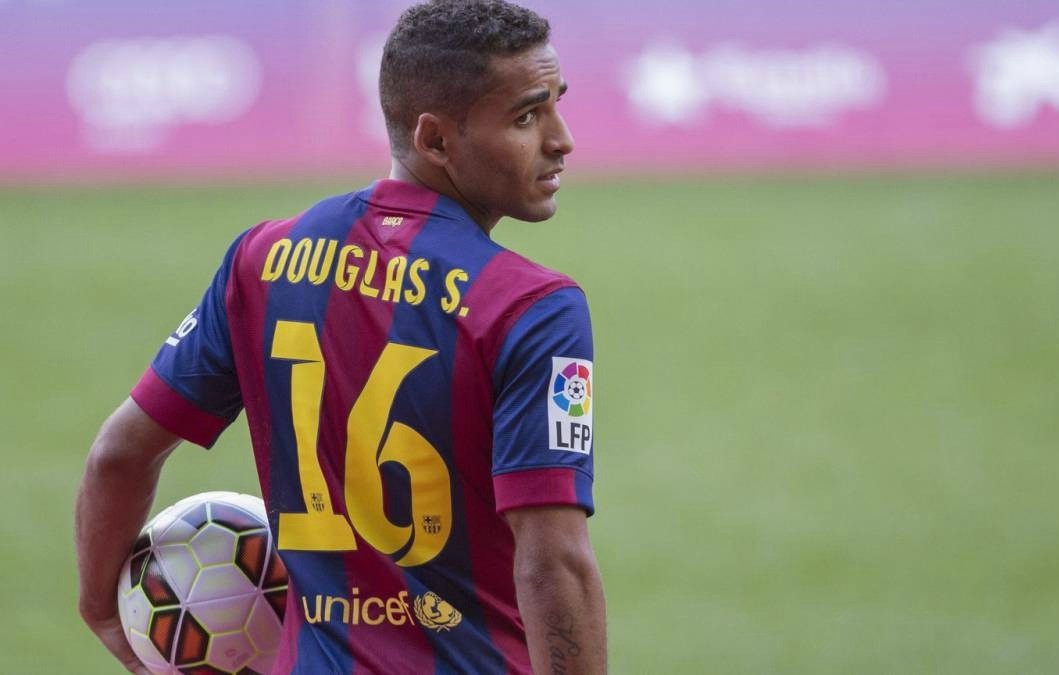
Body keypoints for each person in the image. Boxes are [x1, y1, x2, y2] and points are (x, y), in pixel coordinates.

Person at [74, 0, 607, 673]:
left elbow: (119, 454)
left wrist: (102, 607)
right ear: (435, 140)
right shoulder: (531, 307)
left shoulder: (262, 260)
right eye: (527, 116)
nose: (562, 139)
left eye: (556, 105)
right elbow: (553, 560)